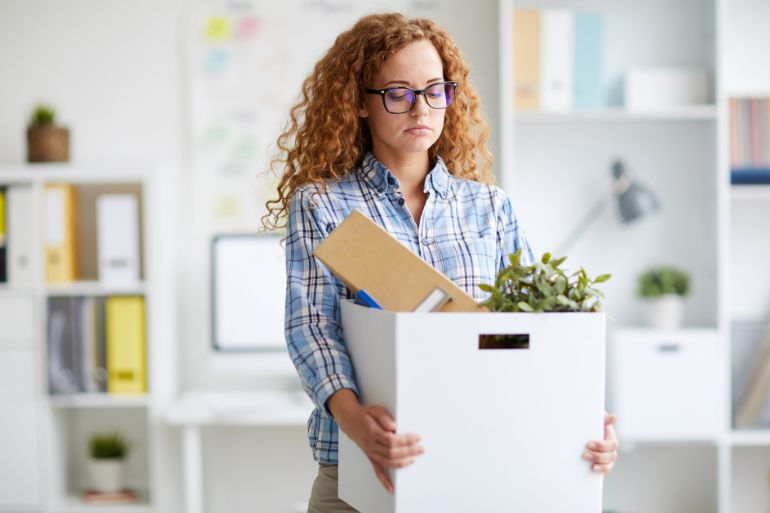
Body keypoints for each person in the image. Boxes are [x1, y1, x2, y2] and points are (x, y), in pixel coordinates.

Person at [261, 12, 619, 513]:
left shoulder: (490, 209)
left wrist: (582, 416)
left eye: (434, 90)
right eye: (398, 93)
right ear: (359, 104)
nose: (420, 108)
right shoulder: (322, 205)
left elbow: (532, 333)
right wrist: (358, 421)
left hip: (481, 460)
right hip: (362, 470)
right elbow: (312, 327)